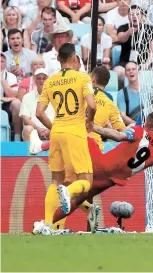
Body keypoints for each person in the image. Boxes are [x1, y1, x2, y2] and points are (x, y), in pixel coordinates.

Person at [30, 112, 153, 234]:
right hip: (110, 181)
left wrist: (94, 127)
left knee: (83, 138)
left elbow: (118, 136)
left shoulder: (140, 132)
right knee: (78, 200)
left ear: (146, 122)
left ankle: (41, 146)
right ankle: (46, 225)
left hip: (101, 164)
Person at [36, 43, 96, 223]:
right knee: (86, 182)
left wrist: (54, 128)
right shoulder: (82, 78)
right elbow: (92, 105)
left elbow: (39, 112)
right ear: (74, 58)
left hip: (57, 132)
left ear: (59, 59)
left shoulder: (50, 81)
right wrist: (90, 120)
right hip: (75, 132)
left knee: (56, 180)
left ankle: (47, 223)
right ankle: (68, 192)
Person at [19, 68, 54, 141]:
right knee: (28, 129)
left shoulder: (55, 96)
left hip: (52, 130)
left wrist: (50, 130)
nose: (41, 81)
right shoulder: (27, 97)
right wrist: (38, 129)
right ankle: (27, 152)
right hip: (34, 130)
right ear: (35, 80)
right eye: (38, 78)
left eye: (44, 78)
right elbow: (26, 118)